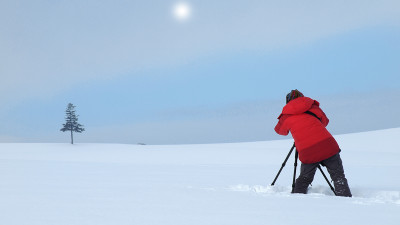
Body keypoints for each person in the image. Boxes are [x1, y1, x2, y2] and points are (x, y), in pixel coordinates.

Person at [274, 90, 352, 197]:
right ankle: (346, 200)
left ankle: (297, 199)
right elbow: (325, 121)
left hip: (307, 150)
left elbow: (280, 131)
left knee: (304, 178)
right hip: (327, 145)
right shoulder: (312, 106)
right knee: (338, 176)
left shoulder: (286, 115)